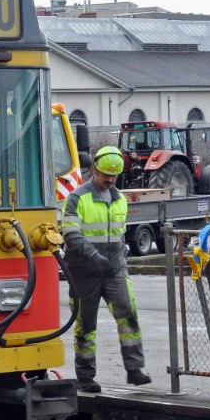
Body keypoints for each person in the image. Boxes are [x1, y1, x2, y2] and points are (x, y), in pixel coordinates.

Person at [61, 146, 151, 392]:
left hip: (114, 270)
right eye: (105, 175)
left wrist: (118, 260)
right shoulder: (77, 198)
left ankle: (134, 370)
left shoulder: (119, 198)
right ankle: (86, 376)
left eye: (114, 176)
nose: (110, 180)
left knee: (128, 314)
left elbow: (119, 235)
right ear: (95, 170)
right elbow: (70, 233)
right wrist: (93, 255)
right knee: (85, 324)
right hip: (83, 272)